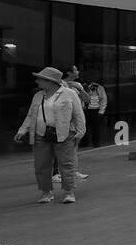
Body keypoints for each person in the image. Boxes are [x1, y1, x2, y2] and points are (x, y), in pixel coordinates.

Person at [14, 66, 86, 204]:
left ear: (49, 81)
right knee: (41, 165)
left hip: (64, 133)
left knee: (66, 164)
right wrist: (22, 131)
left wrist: (80, 132)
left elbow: (78, 114)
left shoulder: (69, 94)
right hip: (41, 134)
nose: (37, 81)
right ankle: (46, 192)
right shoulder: (38, 96)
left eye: (40, 79)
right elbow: (31, 115)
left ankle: (68, 192)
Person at [83, 80, 108, 149]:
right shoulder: (80, 86)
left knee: (95, 128)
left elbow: (103, 99)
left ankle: (96, 142)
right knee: (83, 127)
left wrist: (101, 111)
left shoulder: (98, 87)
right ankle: (84, 142)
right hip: (84, 110)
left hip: (94, 110)